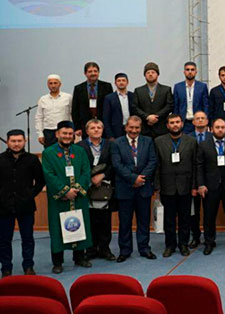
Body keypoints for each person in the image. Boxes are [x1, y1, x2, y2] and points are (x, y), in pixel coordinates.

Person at [41, 121, 92, 273]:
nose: (67, 136)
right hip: (59, 199)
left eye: (70, 134)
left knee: (80, 224)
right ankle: (57, 262)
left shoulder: (80, 151)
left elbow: (86, 171)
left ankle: (79, 257)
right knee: (57, 228)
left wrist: (76, 189)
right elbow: (49, 175)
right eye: (64, 133)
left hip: (78, 196)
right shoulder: (48, 153)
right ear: (57, 134)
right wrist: (64, 191)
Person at [111, 116, 158, 262]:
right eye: (131, 127)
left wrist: (141, 178)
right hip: (125, 188)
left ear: (141, 128)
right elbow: (117, 164)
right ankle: (125, 250)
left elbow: (152, 161)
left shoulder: (148, 141)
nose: (134, 130)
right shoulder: (117, 143)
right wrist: (133, 178)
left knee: (144, 221)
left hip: (143, 187)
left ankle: (144, 248)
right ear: (126, 127)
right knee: (125, 222)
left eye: (137, 128)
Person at [0, 129, 44, 277]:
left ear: (25, 141)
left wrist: (30, 195)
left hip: (26, 205)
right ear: (7, 142)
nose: (16, 144)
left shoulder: (32, 160)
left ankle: (28, 266)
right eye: (13, 141)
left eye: (19, 141)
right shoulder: (0, 159)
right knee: (4, 240)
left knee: (27, 238)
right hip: (4, 206)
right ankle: (6, 268)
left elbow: (40, 181)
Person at [195, 118, 225, 255]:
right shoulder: (203, 145)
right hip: (210, 186)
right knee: (209, 216)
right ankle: (209, 242)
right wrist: (201, 184)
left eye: (222, 127)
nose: (220, 130)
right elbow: (199, 166)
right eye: (217, 127)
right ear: (211, 129)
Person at [154, 115, 198, 257]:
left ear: (182, 124)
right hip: (167, 186)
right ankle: (170, 245)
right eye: (172, 123)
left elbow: (195, 165)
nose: (175, 125)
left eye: (177, 122)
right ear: (167, 125)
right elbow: (156, 165)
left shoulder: (191, 141)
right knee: (169, 219)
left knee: (185, 218)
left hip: (186, 186)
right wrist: (157, 186)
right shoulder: (159, 141)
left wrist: (194, 186)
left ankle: (183, 244)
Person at [76, 119, 115, 261]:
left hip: (105, 187)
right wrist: (90, 178)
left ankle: (105, 249)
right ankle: (91, 249)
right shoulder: (79, 146)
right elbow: (77, 166)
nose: (96, 130)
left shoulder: (110, 145)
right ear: (87, 131)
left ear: (103, 130)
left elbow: (114, 164)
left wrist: (102, 176)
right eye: (93, 128)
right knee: (90, 219)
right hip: (86, 187)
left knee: (105, 220)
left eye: (99, 127)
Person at [71, 62, 113, 138]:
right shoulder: (78, 88)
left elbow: (111, 107)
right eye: (90, 71)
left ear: (98, 72)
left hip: (103, 124)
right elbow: (75, 109)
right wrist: (77, 127)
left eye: (95, 71)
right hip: (85, 125)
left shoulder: (107, 86)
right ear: (85, 73)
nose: (93, 73)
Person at [132, 62, 173, 138]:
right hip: (144, 128)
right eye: (148, 72)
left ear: (158, 74)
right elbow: (135, 108)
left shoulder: (166, 89)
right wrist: (147, 117)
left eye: (153, 72)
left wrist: (156, 117)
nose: (150, 74)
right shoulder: (138, 90)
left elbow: (169, 106)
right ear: (145, 75)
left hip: (161, 128)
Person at [188, 112, 210, 248]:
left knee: (209, 211)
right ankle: (195, 236)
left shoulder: (213, 137)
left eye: (203, 118)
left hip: (209, 179)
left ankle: (209, 238)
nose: (200, 120)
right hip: (192, 179)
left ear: (207, 121)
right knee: (193, 212)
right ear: (193, 122)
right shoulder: (187, 138)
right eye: (197, 118)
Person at [35, 74, 72, 148]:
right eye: (50, 83)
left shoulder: (68, 97)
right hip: (49, 132)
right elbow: (39, 117)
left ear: (60, 84)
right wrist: (40, 134)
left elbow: (72, 114)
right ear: (47, 85)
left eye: (55, 83)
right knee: (50, 153)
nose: (53, 85)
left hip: (65, 131)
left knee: (67, 152)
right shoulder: (43, 99)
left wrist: (73, 130)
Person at [173, 61, 209, 134]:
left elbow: (206, 105)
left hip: (198, 122)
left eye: (192, 70)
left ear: (196, 72)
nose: (190, 72)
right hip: (183, 123)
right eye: (187, 70)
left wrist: (206, 122)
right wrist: (176, 122)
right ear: (184, 72)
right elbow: (175, 107)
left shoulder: (202, 86)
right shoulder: (178, 87)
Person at [102, 73, 134, 139]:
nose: (121, 82)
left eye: (123, 80)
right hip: (116, 131)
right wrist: (110, 135)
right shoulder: (109, 98)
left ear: (127, 82)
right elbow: (106, 118)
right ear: (115, 83)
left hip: (132, 129)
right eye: (119, 81)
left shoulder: (133, 96)